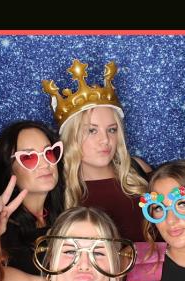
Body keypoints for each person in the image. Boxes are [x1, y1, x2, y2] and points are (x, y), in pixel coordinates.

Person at [43, 58, 152, 243]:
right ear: (71, 136)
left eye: (112, 130)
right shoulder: (57, 189)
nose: (105, 140)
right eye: (92, 130)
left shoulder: (138, 170)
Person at [2, 206, 135, 281]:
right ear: (52, 258)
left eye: (98, 253)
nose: (84, 264)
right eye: (70, 251)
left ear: (113, 265)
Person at [0, 120, 66, 275]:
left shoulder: (66, 212)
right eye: (29, 157)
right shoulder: (2, 228)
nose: (45, 164)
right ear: (9, 169)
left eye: (49, 153)